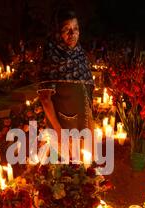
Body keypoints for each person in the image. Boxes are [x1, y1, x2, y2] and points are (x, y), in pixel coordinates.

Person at [37, 8, 94, 138]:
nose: (72, 33)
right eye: (66, 29)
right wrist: (58, 130)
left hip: (83, 122)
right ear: (57, 33)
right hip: (64, 128)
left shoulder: (80, 54)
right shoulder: (51, 57)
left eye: (76, 28)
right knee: (65, 157)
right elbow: (45, 99)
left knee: (83, 157)